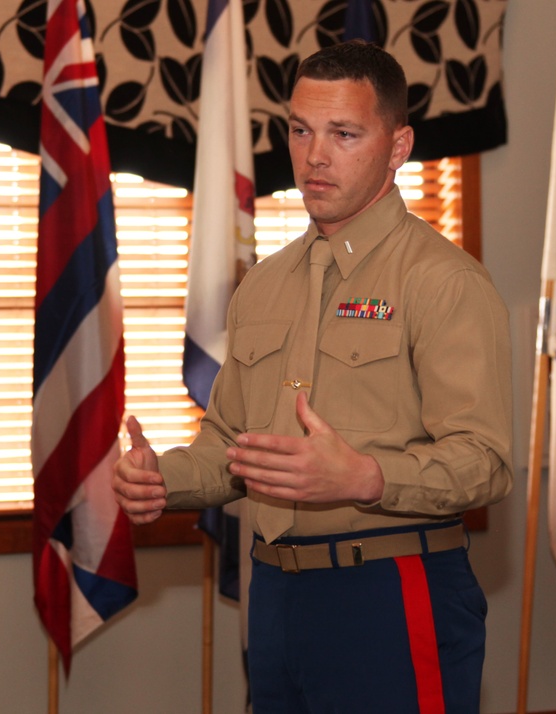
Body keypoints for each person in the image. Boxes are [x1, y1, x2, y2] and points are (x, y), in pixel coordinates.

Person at [113, 39, 513, 713]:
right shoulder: (263, 286)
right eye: (300, 130)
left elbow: (487, 463)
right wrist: (165, 479)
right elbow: (233, 448)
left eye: (344, 134)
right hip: (277, 598)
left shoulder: (443, 282)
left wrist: (366, 476)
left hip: (390, 588)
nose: (315, 155)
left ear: (397, 146)